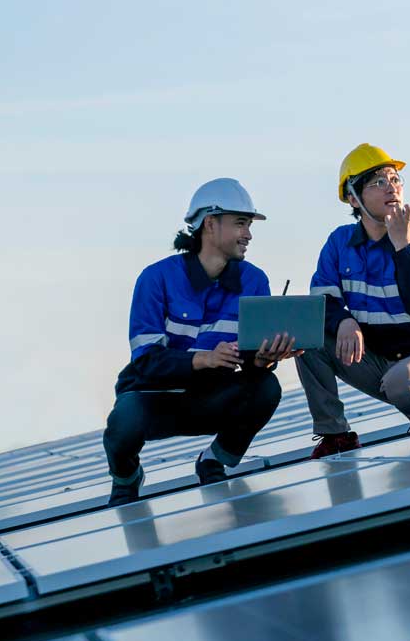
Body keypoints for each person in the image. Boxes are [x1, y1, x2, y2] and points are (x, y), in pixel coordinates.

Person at [103, 178, 297, 505]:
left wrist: (264, 358)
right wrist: (203, 359)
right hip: (153, 399)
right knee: (123, 422)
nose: (248, 234)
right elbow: (146, 360)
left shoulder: (253, 280)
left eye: (249, 225)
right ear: (210, 223)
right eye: (240, 224)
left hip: (210, 399)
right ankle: (126, 479)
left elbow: (249, 360)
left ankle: (213, 460)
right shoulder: (156, 279)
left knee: (266, 386)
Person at [301, 143, 410, 457]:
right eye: (378, 182)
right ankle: (336, 435)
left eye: (395, 179)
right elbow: (320, 301)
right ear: (353, 197)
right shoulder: (340, 243)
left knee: (402, 382)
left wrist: (401, 246)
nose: (391, 187)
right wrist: (344, 320)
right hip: (385, 361)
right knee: (308, 339)